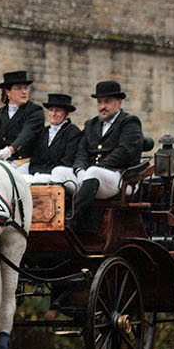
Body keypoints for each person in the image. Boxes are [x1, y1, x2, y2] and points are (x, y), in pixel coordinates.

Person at [69, 81, 145, 234]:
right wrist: (80, 170)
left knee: (93, 173)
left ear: (119, 102)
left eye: (107, 102)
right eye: (99, 102)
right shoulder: (91, 124)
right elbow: (82, 152)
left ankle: (72, 220)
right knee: (59, 172)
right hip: (92, 177)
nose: (102, 106)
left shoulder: (129, 122)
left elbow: (125, 151)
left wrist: (97, 167)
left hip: (119, 178)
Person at [27, 93, 83, 186]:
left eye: (57, 111)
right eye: (51, 110)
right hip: (40, 175)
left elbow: (68, 160)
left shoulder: (73, 132)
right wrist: (37, 172)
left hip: (61, 176)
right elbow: (35, 159)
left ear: (66, 114)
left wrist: (46, 173)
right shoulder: (43, 132)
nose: (53, 114)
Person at [0, 70, 44, 162]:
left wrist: (9, 150)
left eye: (25, 88)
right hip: (4, 161)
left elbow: (26, 135)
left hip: (25, 162)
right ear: (8, 92)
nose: (24, 92)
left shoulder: (35, 111)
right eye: (18, 88)